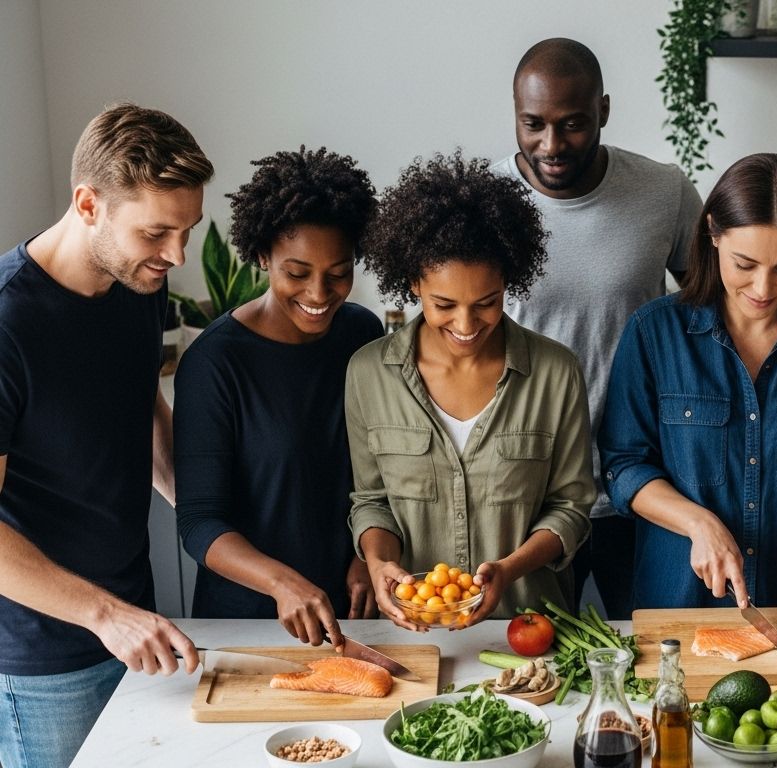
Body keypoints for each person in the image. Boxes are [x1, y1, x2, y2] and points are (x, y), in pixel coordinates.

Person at [0, 103, 211, 768]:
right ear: (88, 203)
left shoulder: (137, 282)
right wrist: (105, 615)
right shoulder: (8, 325)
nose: (174, 255)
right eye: (156, 233)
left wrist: (206, 514)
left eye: (187, 231)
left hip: (134, 626)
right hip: (44, 662)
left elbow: (138, 401)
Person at [598, 153, 777, 651]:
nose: (763, 288)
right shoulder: (654, 332)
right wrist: (698, 523)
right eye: (744, 265)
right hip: (675, 613)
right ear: (712, 234)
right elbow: (623, 466)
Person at [490, 38, 703, 620]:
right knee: (529, 671)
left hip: (639, 487)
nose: (551, 145)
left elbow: (713, 314)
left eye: (574, 124)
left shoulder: (664, 191)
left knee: (650, 659)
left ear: (604, 111)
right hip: (524, 492)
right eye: (532, 124)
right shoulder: (482, 201)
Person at [347, 152, 593, 631]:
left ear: (509, 283)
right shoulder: (369, 373)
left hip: (526, 630)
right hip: (415, 634)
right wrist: (378, 565)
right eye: (443, 304)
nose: (465, 325)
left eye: (487, 303)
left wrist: (509, 569)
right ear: (414, 282)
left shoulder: (555, 372)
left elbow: (571, 508)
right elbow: (371, 500)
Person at [174, 147, 383, 649]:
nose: (319, 292)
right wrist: (281, 583)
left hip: (357, 611)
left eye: (339, 272)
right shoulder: (214, 364)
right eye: (297, 272)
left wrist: (367, 556)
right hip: (250, 620)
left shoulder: (362, 333)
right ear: (263, 255)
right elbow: (199, 522)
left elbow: (378, 472)